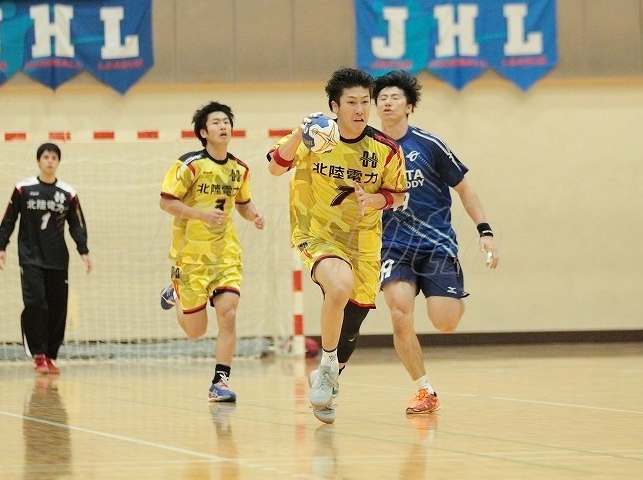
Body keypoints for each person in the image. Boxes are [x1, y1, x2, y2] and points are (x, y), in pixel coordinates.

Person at [267, 67, 408, 423]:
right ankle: (328, 366)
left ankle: (327, 374)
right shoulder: (316, 137)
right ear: (334, 106)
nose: (360, 109)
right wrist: (300, 132)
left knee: (352, 323)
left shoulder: (386, 149)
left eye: (365, 102)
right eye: (351, 103)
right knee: (340, 285)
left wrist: (374, 200)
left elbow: (398, 195)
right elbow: (275, 166)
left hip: (364, 241)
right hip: (317, 233)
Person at [373, 70, 500, 414]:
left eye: (395, 97)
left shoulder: (429, 145)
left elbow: (465, 189)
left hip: (436, 244)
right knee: (399, 314)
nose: (387, 103)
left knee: (445, 321)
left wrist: (485, 231)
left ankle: (453, 298)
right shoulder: (367, 150)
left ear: (409, 106)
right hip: (392, 245)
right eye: (382, 98)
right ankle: (424, 390)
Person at [158, 101, 265, 403]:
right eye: (216, 122)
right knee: (196, 331)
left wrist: (254, 216)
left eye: (226, 121)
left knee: (228, 314)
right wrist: (200, 215)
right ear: (203, 132)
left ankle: (220, 382)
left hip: (225, 255)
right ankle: (177, 292)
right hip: (190, 257)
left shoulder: (240, 169)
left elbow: (243, 204)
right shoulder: (189, 165)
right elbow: (166, 202)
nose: (223, 126)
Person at [0, 143, 91, 374]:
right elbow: (9, 219)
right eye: (46, 157)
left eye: (54, 157)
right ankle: (38, 354)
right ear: (39, 161)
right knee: (36, 303)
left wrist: (84, 250)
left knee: (58, 308)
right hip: (30, 258)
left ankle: (50, 355)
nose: (50, 161)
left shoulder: (68, 193)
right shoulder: (23, 189)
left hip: (57, 259)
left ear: (58, 162)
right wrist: (1, 246)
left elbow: (77, 224)